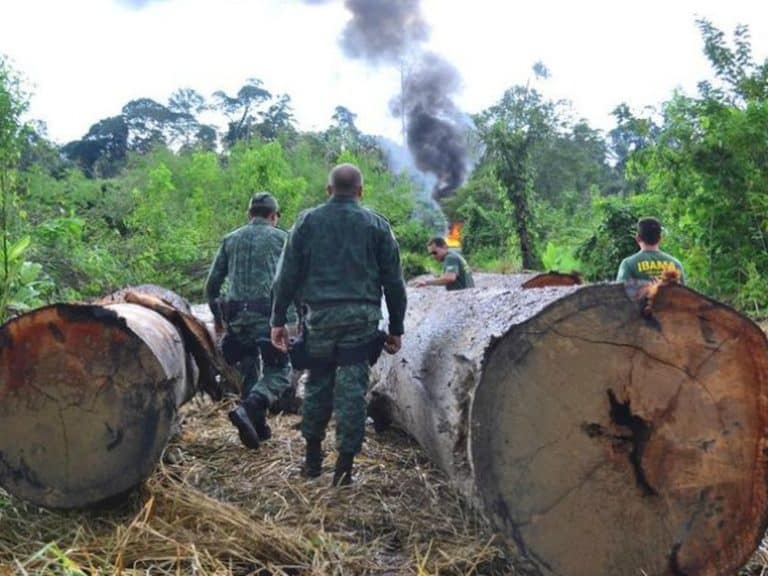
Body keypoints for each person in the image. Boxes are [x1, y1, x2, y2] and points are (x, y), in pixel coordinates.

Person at [270, 163, 406, 487]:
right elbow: (394, 283)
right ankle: (344, 471)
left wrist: (277, 320)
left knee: (317, 384)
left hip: (319, 318)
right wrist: (397, 327)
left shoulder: (306, 222)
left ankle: (312, 461)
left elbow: (285, 277)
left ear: (328, 190)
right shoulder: (377, 226)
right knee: (353, 391)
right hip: (361, 319)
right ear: (361, 191)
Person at [205, 192, 291, 450]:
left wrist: (219, 320)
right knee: (281, 370)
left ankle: (258, 426)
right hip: (268, 318)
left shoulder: (230, 239)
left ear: (249, 214)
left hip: (237, 321)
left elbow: (211, 286)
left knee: (250, 367)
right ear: (273, 216)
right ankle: (249, 408)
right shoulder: (282, 239)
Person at [616, 217, 685, 284]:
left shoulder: (628, 264)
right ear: (661, 238)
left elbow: (620, 293)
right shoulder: (675, 264)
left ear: (638, 238)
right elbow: (684, 294)